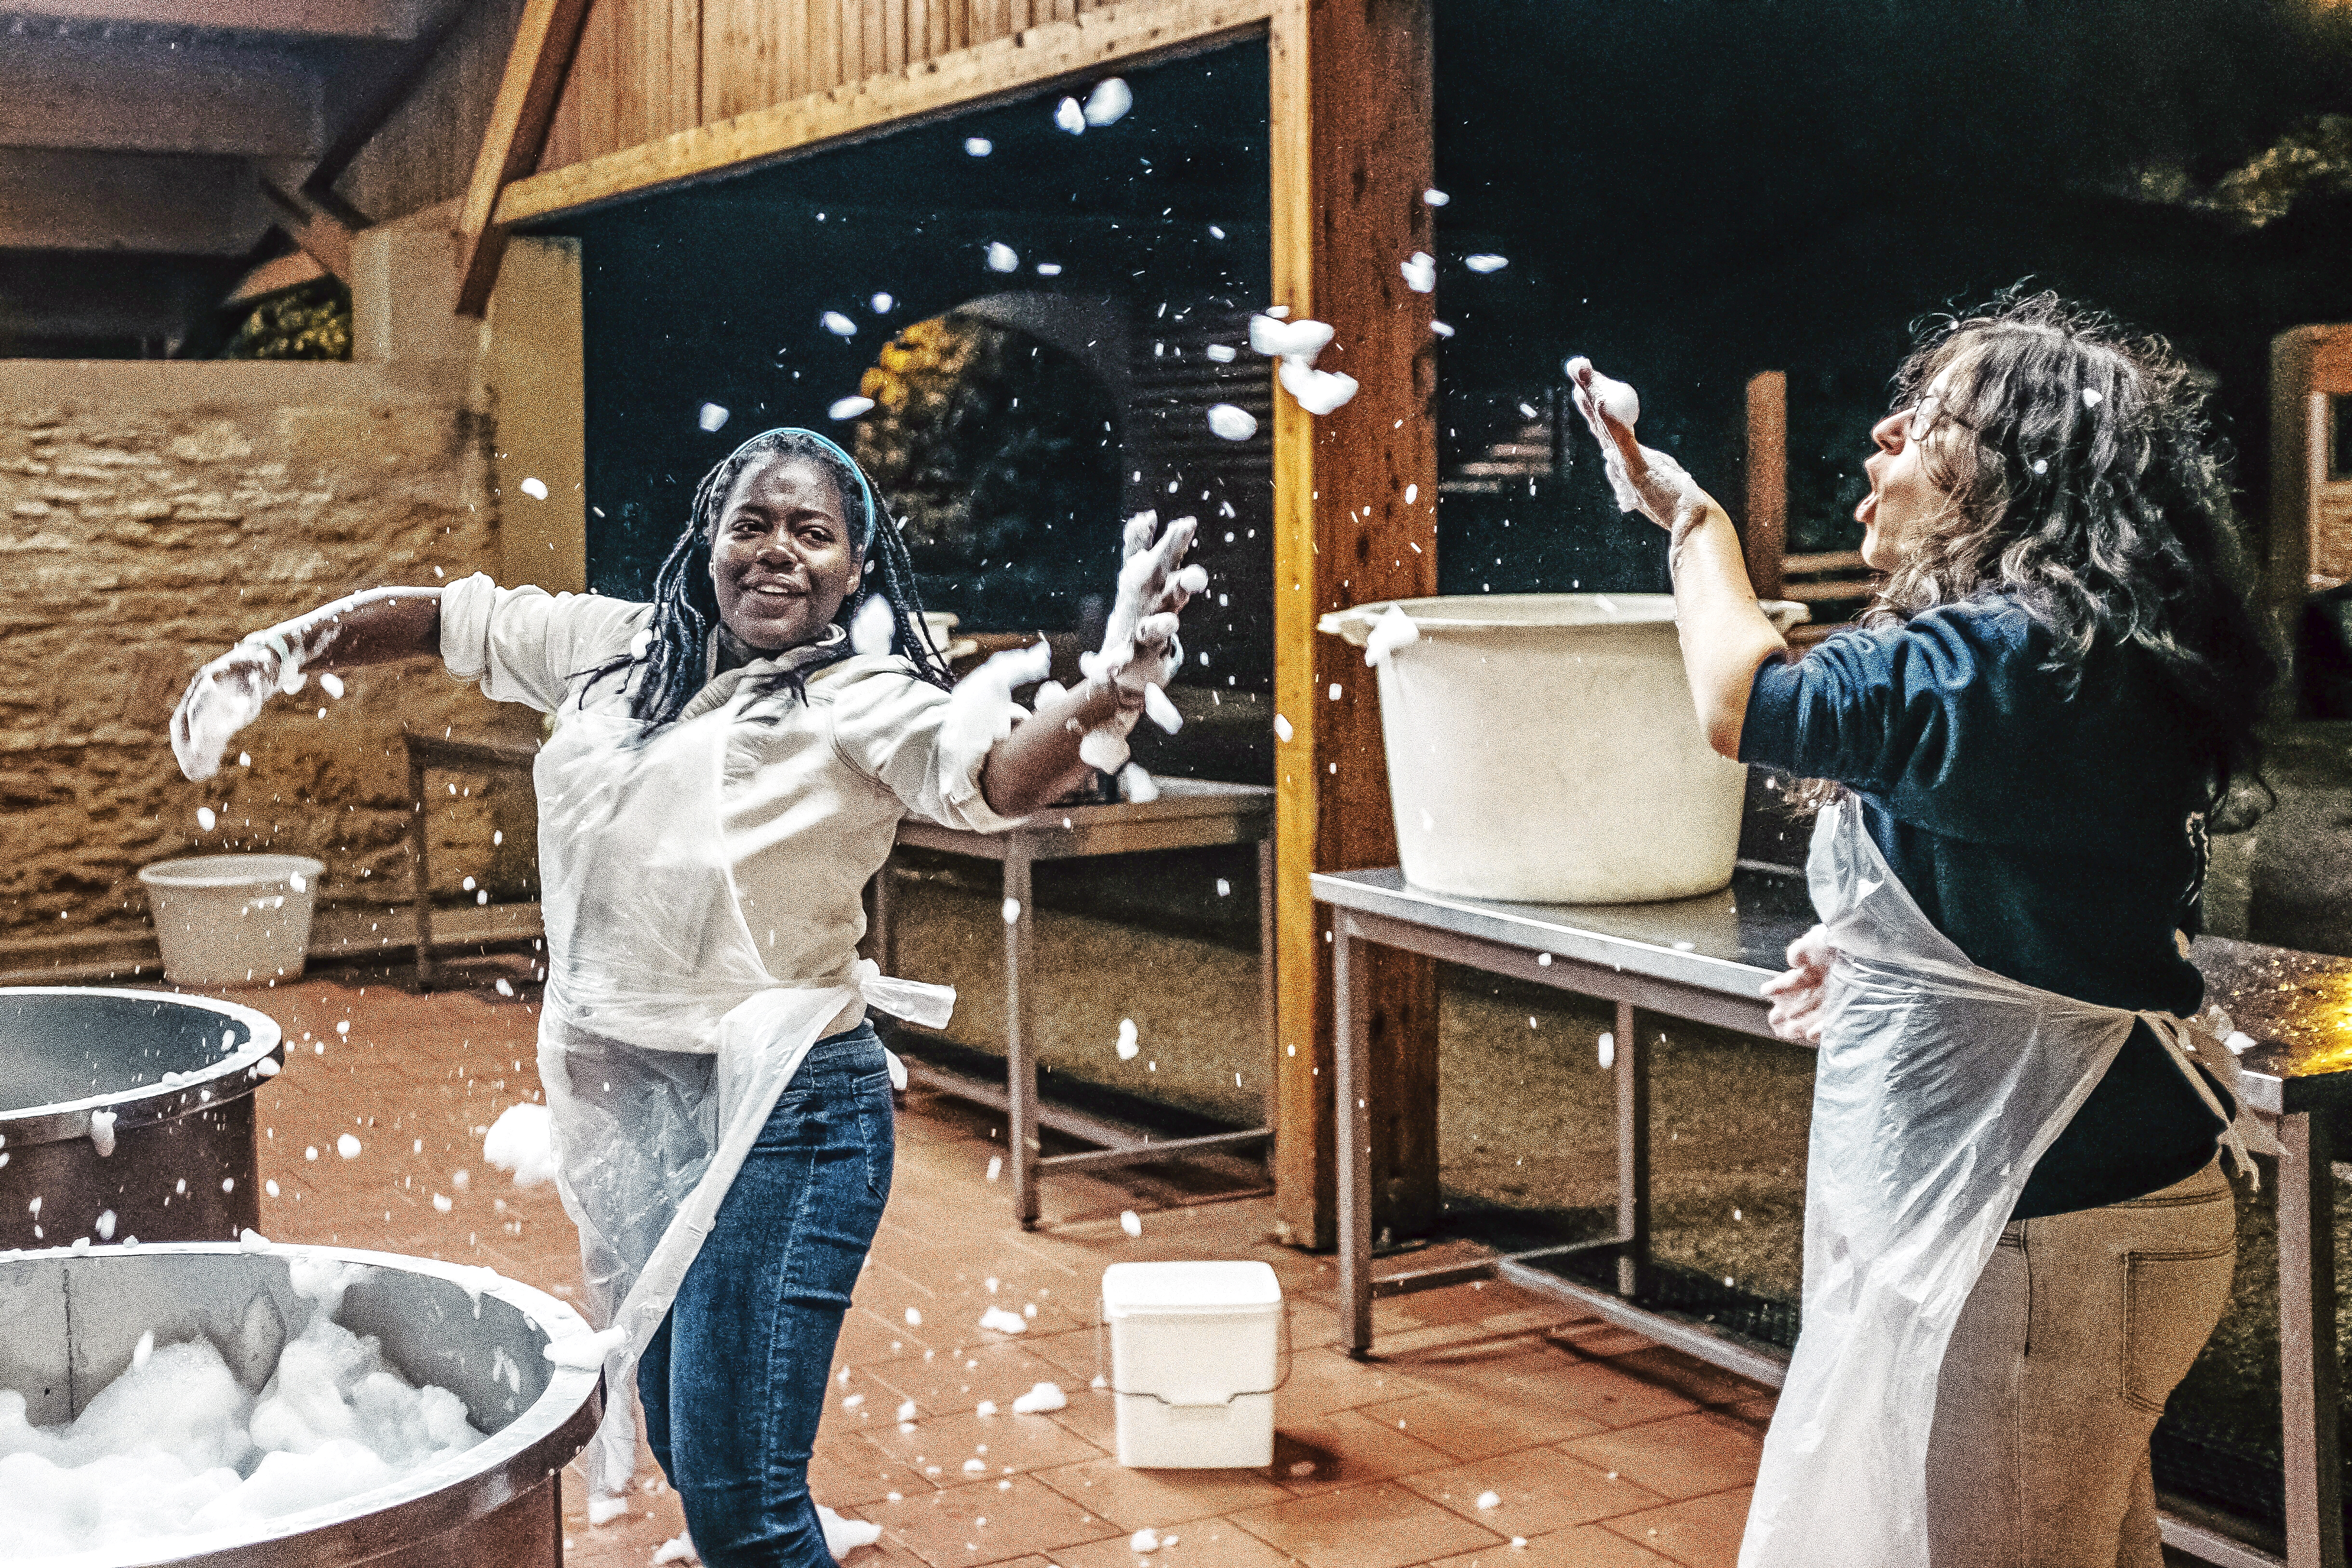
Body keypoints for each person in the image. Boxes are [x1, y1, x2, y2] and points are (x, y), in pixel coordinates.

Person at [169, 427, 1203, 1568]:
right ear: (707, 540)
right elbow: (439, 614)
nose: (777, 553)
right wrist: (278, 650)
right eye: (750, 524)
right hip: (632, 1108)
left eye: (813, 533)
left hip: (790, 1113)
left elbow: (1001, 775)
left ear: (856, 569)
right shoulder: (613, 649)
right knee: (687, 1428)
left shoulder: (865, 695)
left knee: (734, 1496)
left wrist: (1104, 695)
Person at [1566, 291, 2276, 1568]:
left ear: (2019, 474)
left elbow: (1742, 697)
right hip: (2075, 1219)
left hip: (2042, 1237)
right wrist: (1882, 953)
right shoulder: (2072, 656)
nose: (1886, 430)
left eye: (1933, 415)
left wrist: (1694, 521)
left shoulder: (2006, 657)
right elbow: (2047, 887)